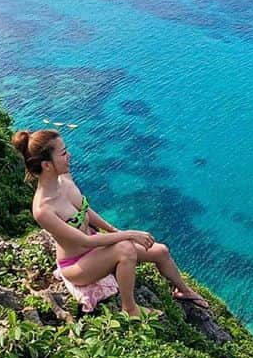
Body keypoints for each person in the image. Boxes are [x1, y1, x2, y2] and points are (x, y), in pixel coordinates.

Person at [12, 128, 208, 318]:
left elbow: (86, 211)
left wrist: (114, 230)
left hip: (96, 248)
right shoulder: (43, 210)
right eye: (63, 153)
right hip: (77, 265)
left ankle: (184, 290)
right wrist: (129, 234)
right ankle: (129, 309)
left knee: (161, 251)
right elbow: (84, 242)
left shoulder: (64, 180)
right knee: (125, 249)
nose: (69, 155)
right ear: (47, 165)